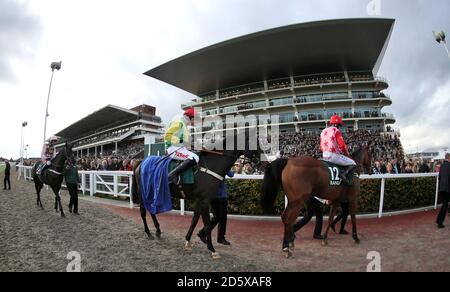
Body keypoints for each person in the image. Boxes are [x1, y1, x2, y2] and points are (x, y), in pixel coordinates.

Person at [198, 171, 234, 245]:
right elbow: (231, 174)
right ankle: (203, 233)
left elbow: (231, 174)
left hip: (222, 195)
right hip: (215, 196)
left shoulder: (223, 165)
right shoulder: (216, 166)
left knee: (223, 217)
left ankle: (220, 237)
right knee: (217, 217)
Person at [165, 108, 199, 185]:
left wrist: (191, 146)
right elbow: (167, 136)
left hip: (179, 148)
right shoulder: (179, 123)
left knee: (196, 153)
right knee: (194, 158)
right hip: (173, 149)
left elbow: (184, 142)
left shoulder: (184, 124)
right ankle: (172, 174)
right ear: (191, 118)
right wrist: (181, 141)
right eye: (195, 119)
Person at [320, 115, 357, 184]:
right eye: (339, 126)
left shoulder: (323, 131)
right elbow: (342, 145)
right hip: (333, 156)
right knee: (353, 163)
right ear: (337, 124)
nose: (339, 127)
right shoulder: (336, 130)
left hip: (324, 156)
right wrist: (347, 154)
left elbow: (321, 146)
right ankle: (343, 174)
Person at [436, 153, 450, 229]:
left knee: (444, 205)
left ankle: (439, 220)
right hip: (447, 189)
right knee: (445, 206)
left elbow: (439, 177)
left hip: (442, 188)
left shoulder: (442, 166)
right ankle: (440, 222)